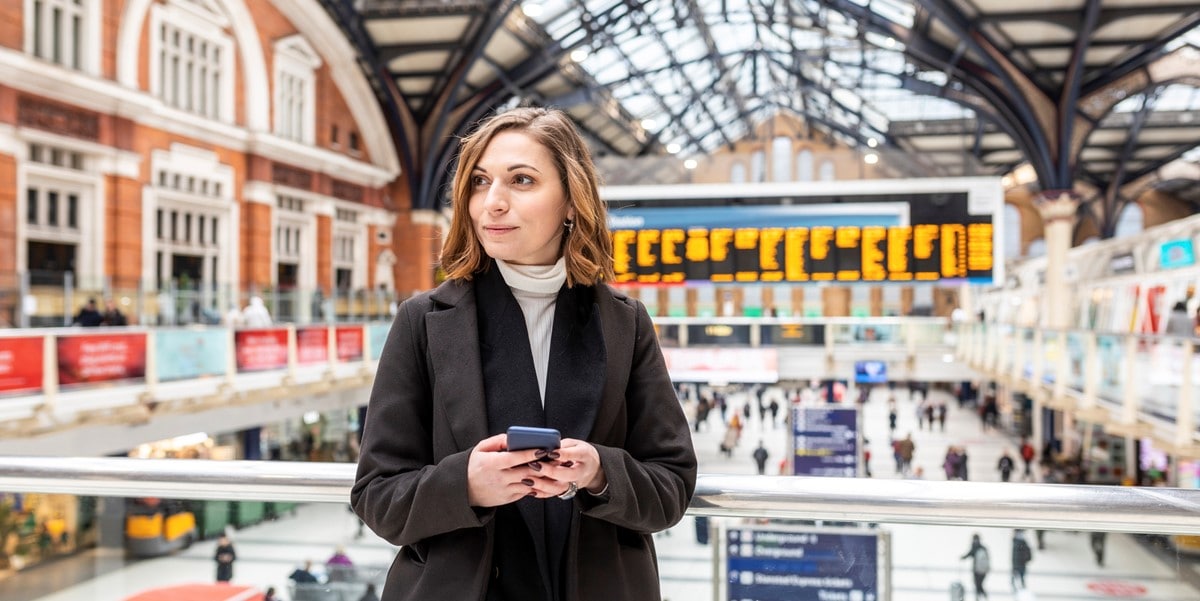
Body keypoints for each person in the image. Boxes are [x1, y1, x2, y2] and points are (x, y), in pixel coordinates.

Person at [351, 107, 697, 601]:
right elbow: (376, 496)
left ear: (571, 202)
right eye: (479, 182)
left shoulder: (624, 322)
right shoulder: (423, 322)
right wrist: (465, 484)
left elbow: (671, 486)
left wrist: (600, 473)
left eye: (521, 180)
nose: (492, 202)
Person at [960, 533, 990, 601]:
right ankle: (982, 596)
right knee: (979, 584)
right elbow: (987, 559)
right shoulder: (983, 548)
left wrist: (963, 558)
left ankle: (980, 597)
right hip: (983, 570)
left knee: (977, 584)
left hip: (976, 570)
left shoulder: (975, 547)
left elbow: (969, 554)